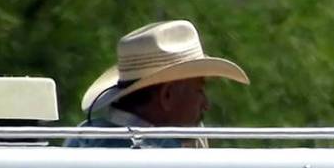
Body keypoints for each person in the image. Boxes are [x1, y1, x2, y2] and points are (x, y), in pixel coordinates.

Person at [66, 19, 248, 148]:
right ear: (167, 96)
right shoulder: (167, 157)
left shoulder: (81, 139)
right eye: (199, 90)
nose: (206, 104)